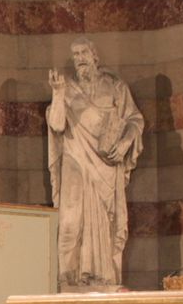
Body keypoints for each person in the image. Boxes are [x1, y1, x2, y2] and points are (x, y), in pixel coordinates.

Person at [47, 37, 144, 287]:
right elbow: (56, 125)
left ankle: (104, 280)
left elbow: (135, 120)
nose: (79, 58)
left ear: (94, 56)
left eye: (83, 53)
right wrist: (57, 95)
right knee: (69, 225)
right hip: (74, 163)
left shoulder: (115, 87)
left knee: (107, 228)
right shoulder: (66, 89)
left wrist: (124, 143)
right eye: (75, 54)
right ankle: (67, 282)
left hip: (106, 168)